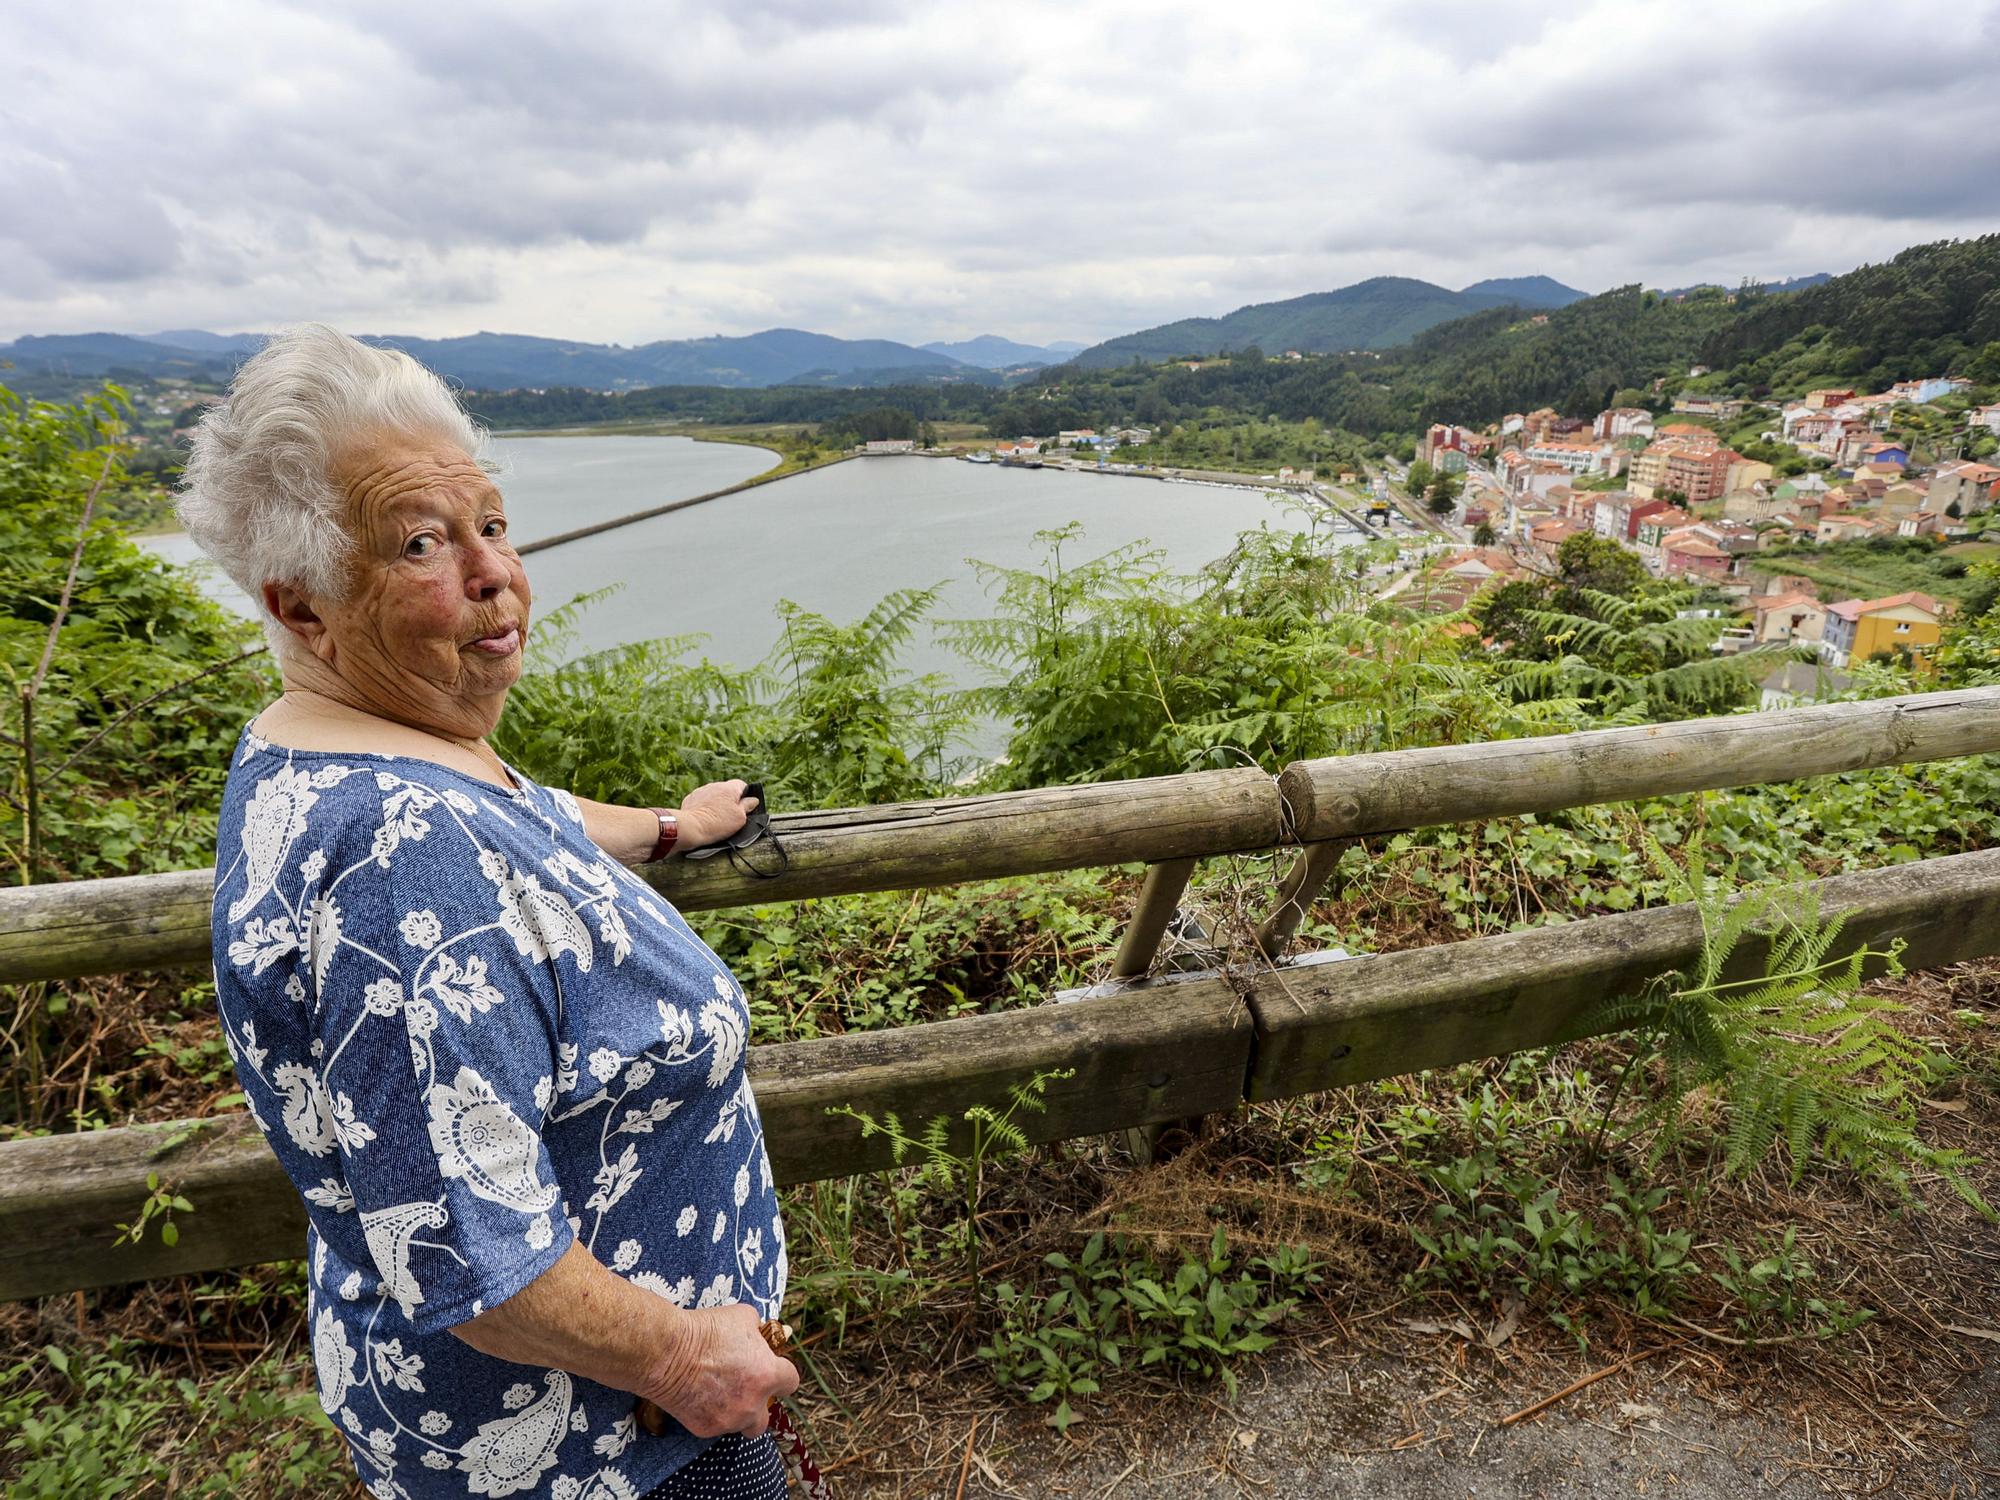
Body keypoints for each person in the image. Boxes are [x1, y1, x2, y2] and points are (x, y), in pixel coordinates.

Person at [180, 325, 799, 1500]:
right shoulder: (400, 857)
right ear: (303, 607)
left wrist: (666, 827)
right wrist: (684, 1357)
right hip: (604, 1441)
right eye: (423, 543)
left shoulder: (327, 747)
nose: (493, 574)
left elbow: (522, 815)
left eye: (493, 525)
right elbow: (477, 1253)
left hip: (548, 1420)